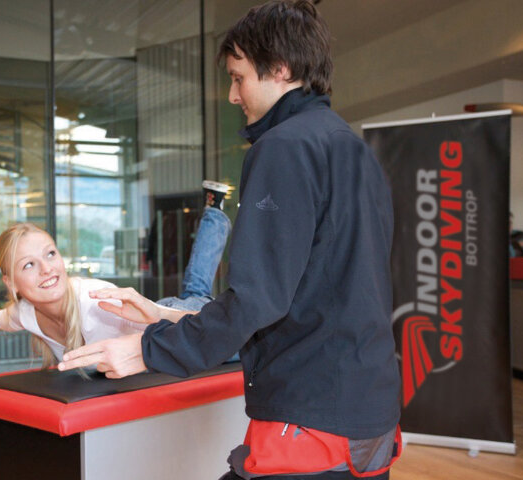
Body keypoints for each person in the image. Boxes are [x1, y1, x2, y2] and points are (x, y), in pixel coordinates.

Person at [58, 2, 402, 479]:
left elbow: (259, 300)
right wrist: (162, 314)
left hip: (311, 417)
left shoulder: (283, 147)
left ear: (280, 69)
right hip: (371, 416)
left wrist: (145, 349)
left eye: (239, 78)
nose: (232, 94)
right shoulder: (354, 150)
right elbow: (314, 293)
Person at [0, 181, 231, 368]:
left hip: (176, 319)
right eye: (29, 264)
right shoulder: (26, 312)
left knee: (197, 299)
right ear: (11, 283)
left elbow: (196, 329)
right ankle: (214, 208)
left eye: (50, 254)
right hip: (164, 313)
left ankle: (214, 211)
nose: (47, 268)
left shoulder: (96, 302)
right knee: (195, 288)